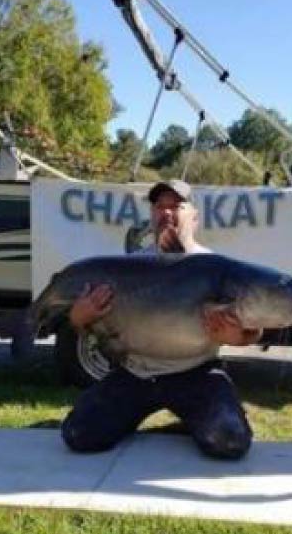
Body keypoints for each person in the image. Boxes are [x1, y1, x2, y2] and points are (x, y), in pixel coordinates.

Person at [61, 179, 262, 459]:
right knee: (79, 436)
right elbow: (86, 325)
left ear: (194, 217)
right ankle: (139, 417)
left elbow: (255, 326)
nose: (166, 213)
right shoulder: (130, 268)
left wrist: (240, 337)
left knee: (230, 442)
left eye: (176, 206)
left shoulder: (218, 268)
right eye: (159, 206)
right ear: (152, 214)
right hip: (136, 373)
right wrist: (77, 316)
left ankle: (195, 418)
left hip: (197, 373)